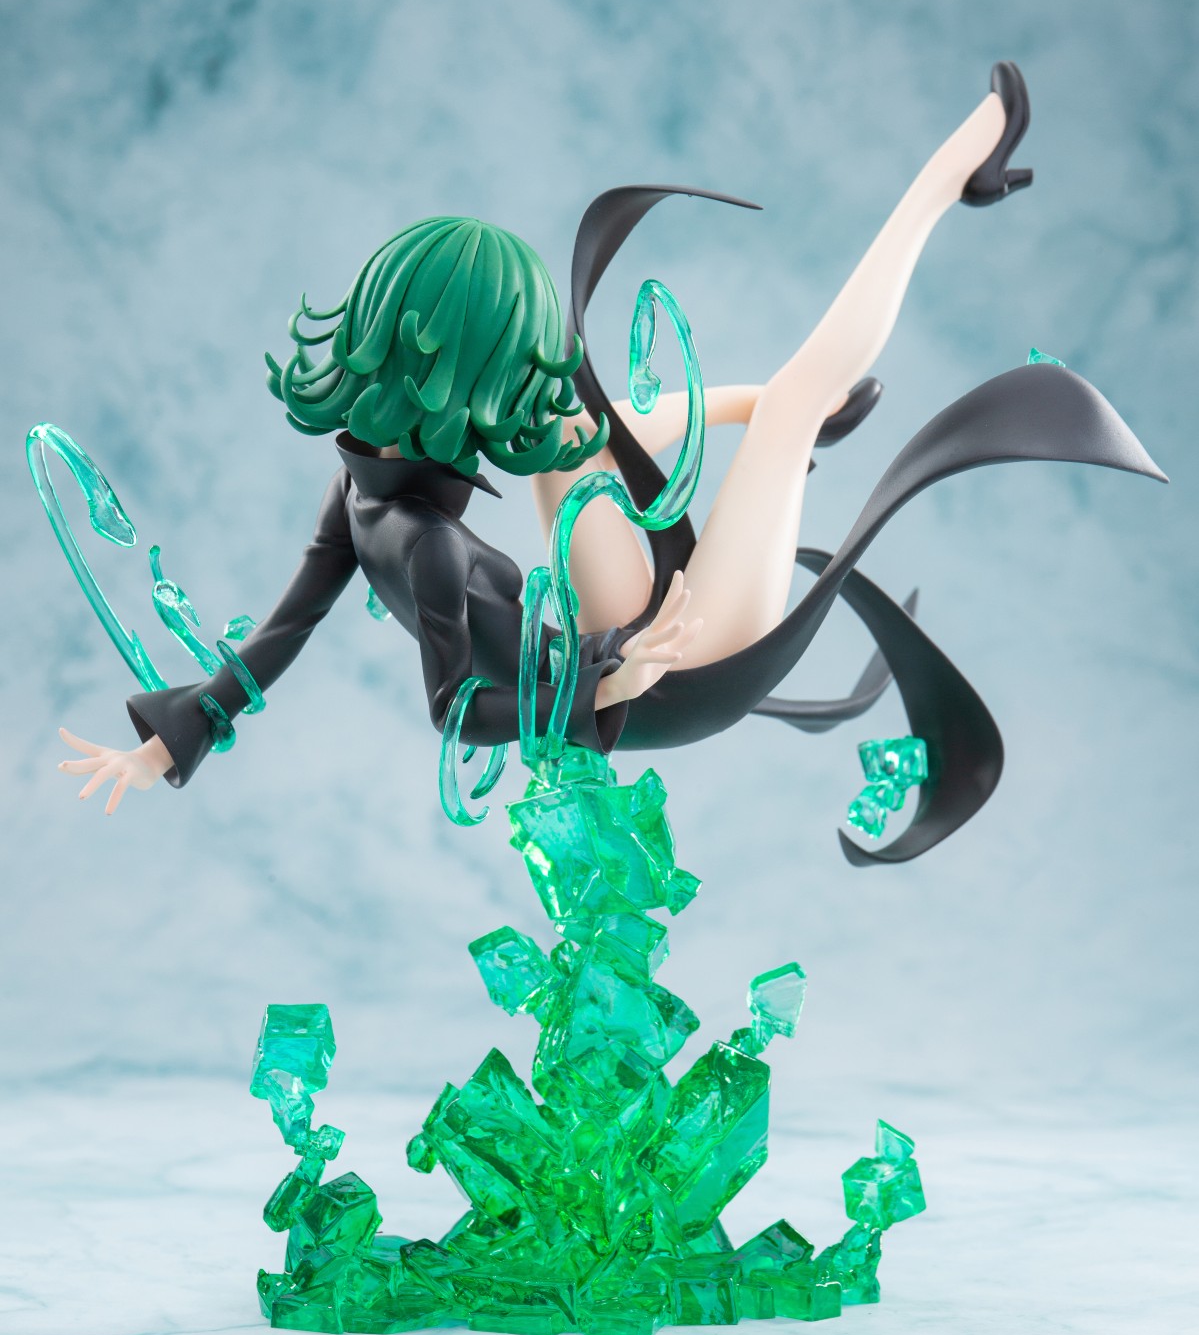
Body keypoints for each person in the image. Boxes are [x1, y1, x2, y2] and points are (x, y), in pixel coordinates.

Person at [58, 64, 1165, 862]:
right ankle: (945, 187)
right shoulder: (421, 541)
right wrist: (610, 681)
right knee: (775, 404)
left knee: (578, 443)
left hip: (614, 634)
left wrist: (176, 738)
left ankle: (783, 411)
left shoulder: (364, 492)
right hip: (668, 676)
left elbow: (277, 639)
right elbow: (454, 711)